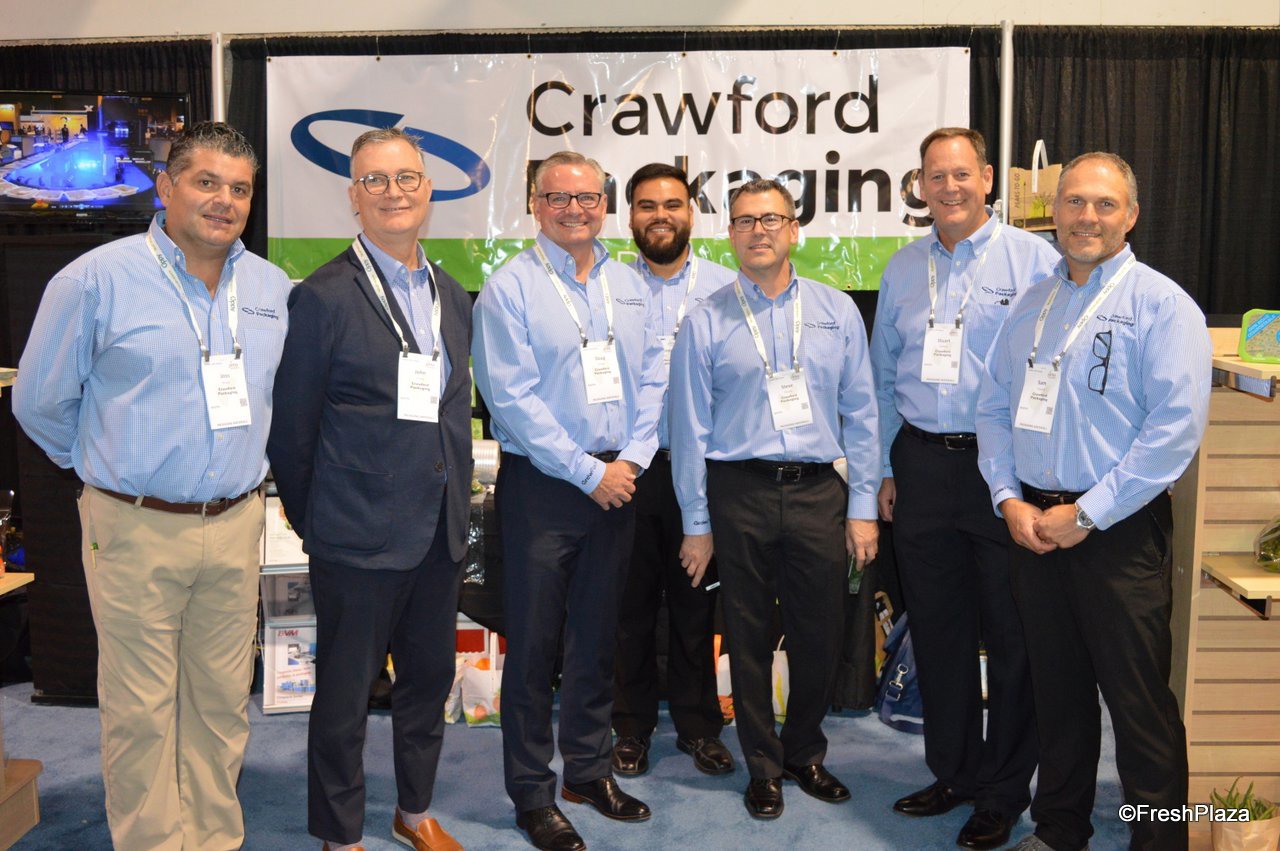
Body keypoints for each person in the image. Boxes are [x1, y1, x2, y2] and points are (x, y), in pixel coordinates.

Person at [13, 121, 290, 850]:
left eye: (240, 189)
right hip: (133, 524)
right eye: (206, 182)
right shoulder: (93, 281)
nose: (224, 201)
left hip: (236, 522)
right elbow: (39, 401)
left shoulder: (271, 288)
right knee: (140, 710)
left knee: (221, 703)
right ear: (165, 187)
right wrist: (105, 470)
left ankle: (213, 837)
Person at [976, 152, 1211, 851]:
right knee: (1059, 695)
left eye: (1104, 204)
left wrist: (1087, 514)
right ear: (1054, 212)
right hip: (1034, 528)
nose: (1087, 217)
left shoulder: (1162, 306)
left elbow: (1173, 432)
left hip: (1118, 531)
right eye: (1074, 201)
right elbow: (993, 407)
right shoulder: (1031, 305)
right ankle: (1060, 829)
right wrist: (1006, 498)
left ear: (1131, 216)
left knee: (1140, 705)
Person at [267, 127, 472, 851]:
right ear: (354, 197)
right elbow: (292, 431)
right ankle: (340, 832)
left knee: (427, 684)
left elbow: (450, 411)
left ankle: (414, 811)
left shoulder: (452, 295)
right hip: (354, 537)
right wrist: (318, 522)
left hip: (438, 532)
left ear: (428, 191)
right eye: (375, 181)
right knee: (345, 696)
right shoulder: (322, 297)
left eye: (406, 178)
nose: (394, 192)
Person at [472, 151, 665, 851]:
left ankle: (587, 770)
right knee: (533, 647)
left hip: (620, 483)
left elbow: (655, 380)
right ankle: (532, 792)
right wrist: (589, 473)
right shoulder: (509, 289)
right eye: (558, 197)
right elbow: (511, 401)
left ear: (604, 204)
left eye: (587, 197)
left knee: (596, 639)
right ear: (535, 203)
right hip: (545, 489)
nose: (574, 209)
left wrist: (632, 460)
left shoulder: (630, 285)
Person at [669, 178, 879, 821]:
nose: (757, 231)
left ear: (794, 229)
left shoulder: (836, 310)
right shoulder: (705, 319)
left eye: (770, 219)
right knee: (748, 634)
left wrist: (863, 507)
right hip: (740, 492)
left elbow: (863, 413)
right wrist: (696, 522)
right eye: (743, 221)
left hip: (819, 492)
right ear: (729, 234)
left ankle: (805, 752)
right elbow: (689, 429)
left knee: (822, 632)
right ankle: (763, 764)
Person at [871, 128, 1057, 850]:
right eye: (934, 176)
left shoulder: (1035, 261)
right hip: (921, 466)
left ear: (987, 179)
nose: (948, 187)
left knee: (1013, 639)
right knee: (938, 631)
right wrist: (885, 469)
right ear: (919, 186)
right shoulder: (902, 268)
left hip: (1000, 471)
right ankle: (953, 772)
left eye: (961, 174)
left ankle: (1004, 792)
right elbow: (884, 377)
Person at [610, 163, 739, 779]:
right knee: (628, 608)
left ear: (691, 213)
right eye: (646, 205)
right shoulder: (607, 286)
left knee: (695, 607)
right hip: (627, 471)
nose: (659, 216)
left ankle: (698, 726)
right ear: (629, 216)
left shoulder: (726, 287)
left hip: (702, 470)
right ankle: (630, 727)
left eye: (672, 204)